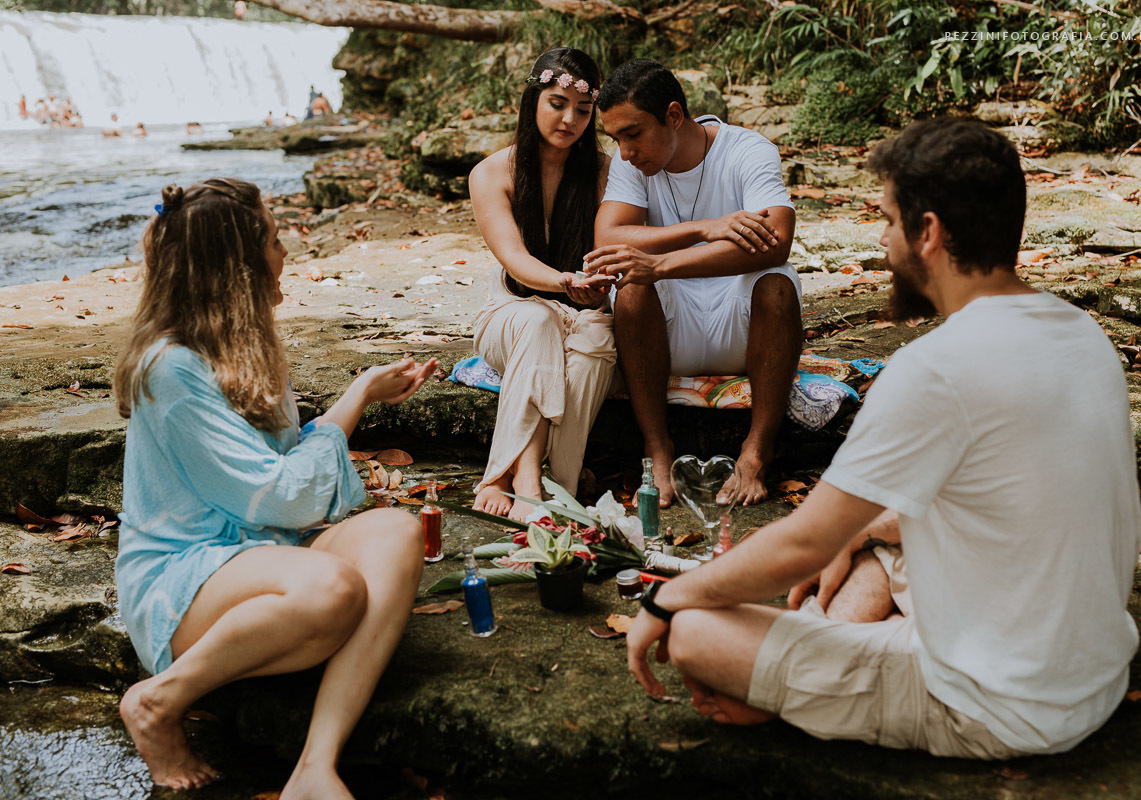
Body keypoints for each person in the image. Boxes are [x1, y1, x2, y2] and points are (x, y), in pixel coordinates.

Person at [624, 118, 1140, 759]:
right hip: (1091, 671)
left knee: (696, 632)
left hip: (998, 706)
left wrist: (666, 598)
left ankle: (795, 675)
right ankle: (815, 646)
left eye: (889, 221)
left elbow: (805, 540)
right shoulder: (1082, 334)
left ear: (929, 234)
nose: (882, 238)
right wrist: (861, 531)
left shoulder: (937, 368)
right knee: (875, 539)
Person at [113, 178, 438, 796]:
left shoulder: (243, 346)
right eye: (272, 238)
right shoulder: (171, 368)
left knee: (397, 532)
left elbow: (286, 470)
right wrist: (350, 403)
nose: (284, 250)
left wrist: (363, 391)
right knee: (334, 589)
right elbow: (284, 494)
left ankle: (316, 766)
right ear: (238, 265)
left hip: (263, 552)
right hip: (182, 578)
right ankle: (158, 701)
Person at [587, 59, 803, 507]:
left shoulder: (747, 149)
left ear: (673, 115)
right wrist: (707, 228)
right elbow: (608, 237)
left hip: (743, 327)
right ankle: (657, 447)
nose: (625, 152)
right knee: (629, 284)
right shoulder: (633, 163)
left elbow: (776, 241)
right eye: (615, 139)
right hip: (665, 331)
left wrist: (661, 265)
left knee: (778, 284)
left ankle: (756, 453)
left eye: (633, 133)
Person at [468, 47, 616, 520]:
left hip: (580, 313)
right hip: (510, 316)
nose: (570, 118)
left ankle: (559, 485)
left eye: (583, 109)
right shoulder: (491, 173)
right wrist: (564, 281)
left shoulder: (601, 171)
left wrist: (595, 284)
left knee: (598, 338)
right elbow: (513, 259)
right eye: (557, 103)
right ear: (533, 99)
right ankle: (518, 474)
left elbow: (612, 248)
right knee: (536, 320)